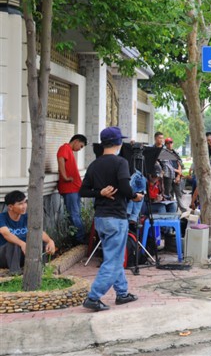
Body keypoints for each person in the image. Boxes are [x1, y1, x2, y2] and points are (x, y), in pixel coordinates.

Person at [79, 126, 144, 311]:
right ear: (118, 143)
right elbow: (124, 186)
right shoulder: (120, 162)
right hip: (116, 217)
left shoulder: (94, 164)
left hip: (100, 218)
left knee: (113, 256)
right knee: (113, 260)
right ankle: (93, 297)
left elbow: (83, 191)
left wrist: (99, 192)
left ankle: (122, 293)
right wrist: (135, 196)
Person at [0, 191, 56, 275]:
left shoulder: (27, 217)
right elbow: (6, 234)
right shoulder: (2, 217)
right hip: (4, 257)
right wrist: (22, 244)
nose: (24, 206)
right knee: (12, 244)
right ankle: (15, 273)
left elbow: (38, 232)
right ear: (10, 207)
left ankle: (40, 269)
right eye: (20, 204)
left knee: (41, 242)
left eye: (25, 202)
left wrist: (50, 241)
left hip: (23, 255)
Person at [56, 134, 88, 244]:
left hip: (74, 188)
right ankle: (80, 239)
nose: (80, 149)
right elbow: (61, 160)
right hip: (70, 188)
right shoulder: (65, 148)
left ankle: (80, 237)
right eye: (81, 146)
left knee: (75, 214)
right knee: (74, 215)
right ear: (76, 141)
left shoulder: (69, 150)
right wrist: (64, 177)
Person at [162, 138, 187, 213]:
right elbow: (166, 165)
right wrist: (178, 171)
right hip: (168, 176)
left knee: (178, 193)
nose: (170, 144)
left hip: (176, 176)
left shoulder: (175, 153)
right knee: (169, 194)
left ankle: (183, 209)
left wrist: (178, 175)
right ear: (166, 144)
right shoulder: (164, 153)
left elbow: (179, 163)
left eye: (171, 143)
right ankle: (171, 210)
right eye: (168, 143)